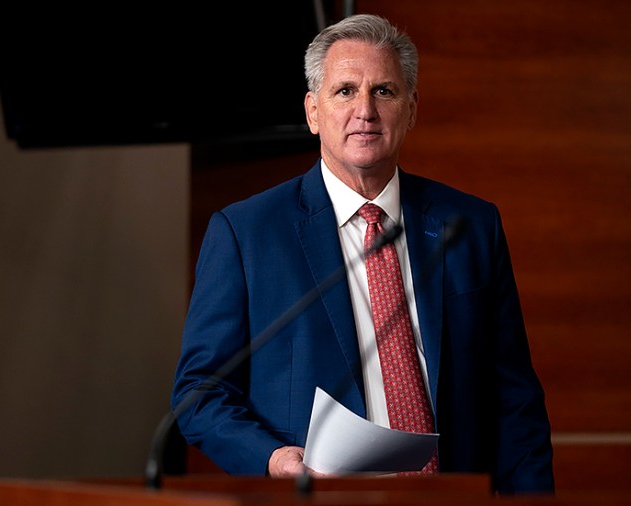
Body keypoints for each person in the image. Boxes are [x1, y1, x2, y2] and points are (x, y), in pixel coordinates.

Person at [171, 13, 554, 494]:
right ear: (313, 112)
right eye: (345, 90)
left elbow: (514, 399)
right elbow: (199, 393)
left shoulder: (471, 226)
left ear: (411, 109)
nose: (365, 111)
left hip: (450, 498)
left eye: (384, 91)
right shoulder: (246, 234)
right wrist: (272, 459)